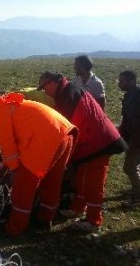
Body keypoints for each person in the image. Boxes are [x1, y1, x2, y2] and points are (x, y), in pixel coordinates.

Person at [38, 71, 127, 232]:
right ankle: (78, 208)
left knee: (94, 181)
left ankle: (94, 221)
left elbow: (67, 128)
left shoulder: (69, 96)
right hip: (89, 142)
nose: (45, 91)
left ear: (54, 82)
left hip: (98, 141)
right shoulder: (66, 93)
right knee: (81, 177)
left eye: (45, 87)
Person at [0, 92, 78, 236]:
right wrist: (5, 167)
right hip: (65, 133)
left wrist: (14, 170)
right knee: (51, 182)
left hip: (45, 139)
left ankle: (15, 228)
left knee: (22, 188)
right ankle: (44, 219)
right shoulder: (17, 105)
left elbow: (7, 143)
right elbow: (21, 138)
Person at [117, 70, 140, 207]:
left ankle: (138, 198)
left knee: (129, 167)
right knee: (132, 166)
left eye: (122, 81)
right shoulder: (128, 96)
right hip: (133, 137)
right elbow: (126, 118)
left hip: (138, 139)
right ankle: (136, 189)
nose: (119, 84)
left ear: (131, 81)